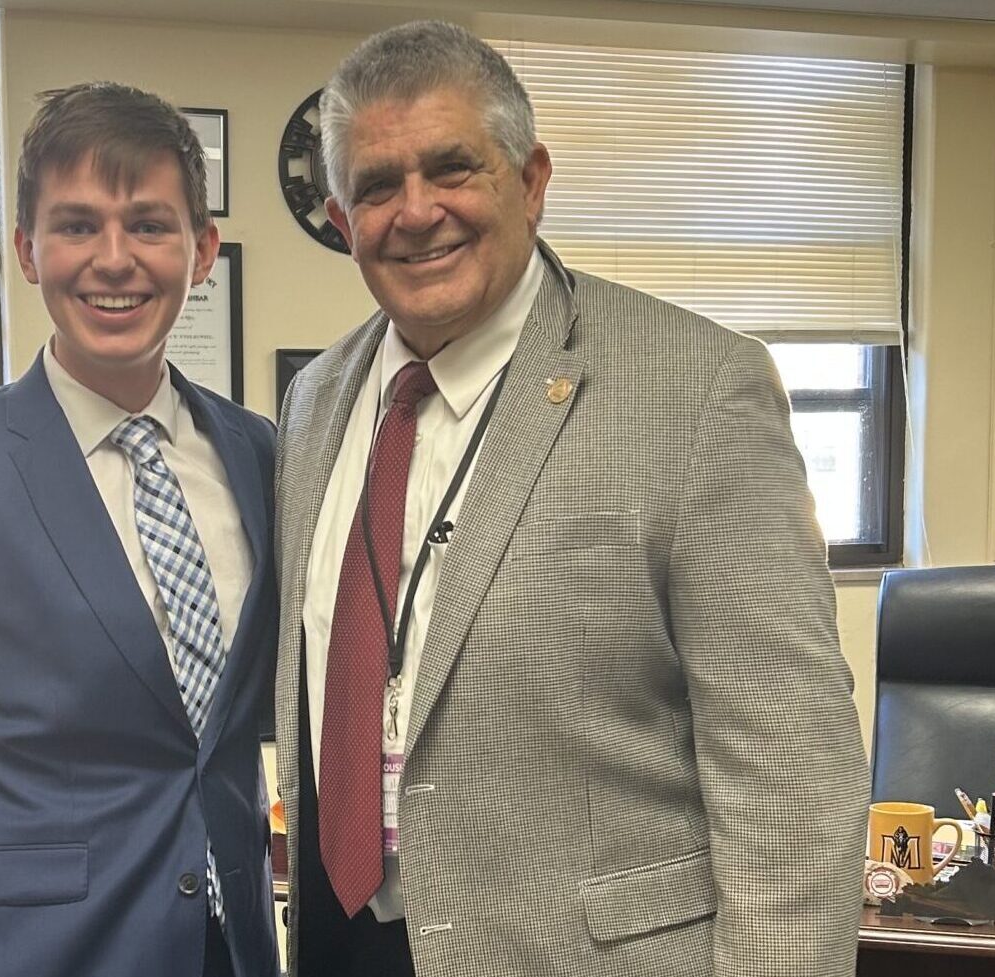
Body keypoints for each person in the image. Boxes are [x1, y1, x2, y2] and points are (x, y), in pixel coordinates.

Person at [273, 20, 868, 977]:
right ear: (342, 221)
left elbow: (792, 779)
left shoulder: (697, 387)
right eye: (377, 186)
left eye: (453, 168)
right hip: (347, 946)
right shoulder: (316, 400)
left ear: (532, 181)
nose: (416, 212)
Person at [0, 82, 278, 977]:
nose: (115, 259)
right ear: (28, 253)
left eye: (150, 225)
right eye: (77, 226)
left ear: (202, 253)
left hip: (230, 949)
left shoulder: (259, 453)